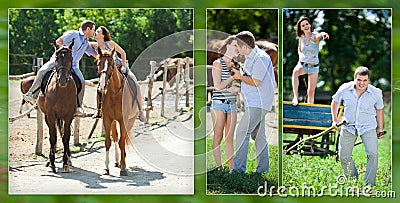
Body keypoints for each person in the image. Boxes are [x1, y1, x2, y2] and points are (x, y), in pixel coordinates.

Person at [23, 20, 97, 116]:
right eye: (93, 29)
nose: (94, 32)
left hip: (73, 66)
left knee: (82, 81)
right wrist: (63, 54)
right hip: (59, 61)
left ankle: (78, 106)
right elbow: (58, 42)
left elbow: (95, 55)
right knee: (42, 71)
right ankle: (32, 93)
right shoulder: (73, 34)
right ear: (88, 29)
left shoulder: (86, 43)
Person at [331, 66, 384, 186]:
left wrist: (380, 129)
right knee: (343, 155)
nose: (362, 83)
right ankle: (352, 180)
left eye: (365, 80)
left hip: (367, 126)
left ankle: (369, 184)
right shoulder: (345, 89)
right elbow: (335, 101)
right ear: (354, 79)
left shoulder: (376, 93)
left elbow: (380, 110)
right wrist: (335, 120)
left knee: (373, 154)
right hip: (348, 125)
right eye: (359, 80)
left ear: (368, 80)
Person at [231, 31, 275, 173]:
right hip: (254, 102)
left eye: (237, 45)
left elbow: (256, 81)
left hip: (259, 103)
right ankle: (263, 169)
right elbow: (249, 79)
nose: (236, 48)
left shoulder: (260, 58)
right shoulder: (250, 57)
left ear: (244, 46)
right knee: (258, 136)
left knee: (242, 132)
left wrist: (239, 77)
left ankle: (238, 170)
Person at [91, 26, 146, 122]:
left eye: (98, 31)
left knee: (135, 84)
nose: (95, 32)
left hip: (120, 66)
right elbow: (83, 42)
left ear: (103, 35)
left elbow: (123, 53)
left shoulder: (110, 43)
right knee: (100, 87)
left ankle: (140, 111)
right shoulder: (95, 46)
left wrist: (124, 66)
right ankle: (98, 110)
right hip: (108, 70)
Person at [210, 35, 240, 171]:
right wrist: (232, 80)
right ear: (228, 46)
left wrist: (239, 88)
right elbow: (217, 86)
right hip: (219, 104)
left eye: (238, 47)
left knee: (229, 138)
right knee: (218, 136)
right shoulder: (217, 63)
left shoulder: (236, 65)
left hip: (232, 104)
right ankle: (219, 168)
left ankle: (231, 169)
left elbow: (240, 83)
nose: (237, 49)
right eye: (235, 46)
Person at [291, 16, 329, 106]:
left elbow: (320, 34)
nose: (306, 26)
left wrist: (324, 34)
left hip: (314, 67)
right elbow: (299, 49)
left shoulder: (315, 37)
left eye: (307, 24)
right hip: (303, 64)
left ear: (310, 25)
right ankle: (295, 97)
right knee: (295, 72)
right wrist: (300, 55)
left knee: (311, 92)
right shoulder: (301, 38)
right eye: (303, 25)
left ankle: (309, 109)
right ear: (301, 28)